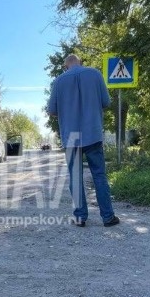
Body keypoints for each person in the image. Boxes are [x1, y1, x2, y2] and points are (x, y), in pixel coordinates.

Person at [47, 54, 119, 227]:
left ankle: (80, 217)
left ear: (65, 66)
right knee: (99, 175)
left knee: (75, 177)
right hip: (92, 133)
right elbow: (106, 102)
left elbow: (51, 110)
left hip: (71, 137)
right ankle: (108, 217)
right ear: (80, 62)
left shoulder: (58, 81)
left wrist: (67, 109)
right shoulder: (95, 74)